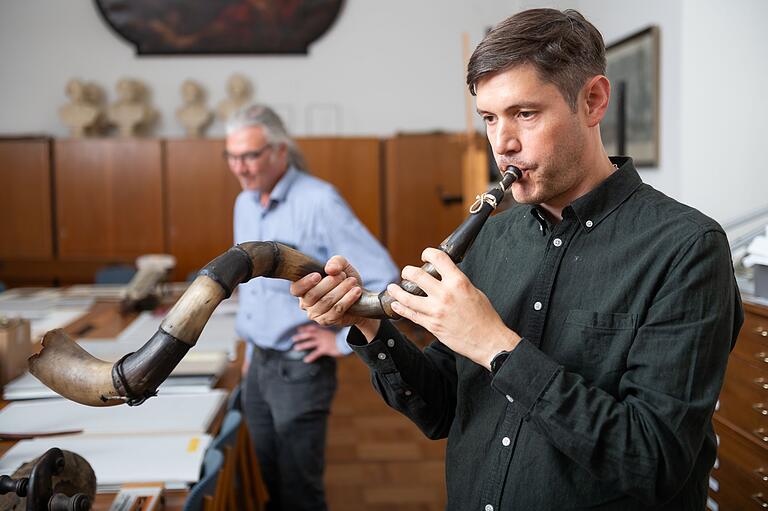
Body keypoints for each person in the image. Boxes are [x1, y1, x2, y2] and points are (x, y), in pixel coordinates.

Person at [291, 8, 743, 510]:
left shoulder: (687, 247)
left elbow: (655, 461)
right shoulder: (493, 236)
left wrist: (497, 346)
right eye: (489, 118)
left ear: (592, 101)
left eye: (525, 114)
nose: (502, 145)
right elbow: (441, 410)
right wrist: (373, 328)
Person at [225, 104, 398, 510]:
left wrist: (337, 342)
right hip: (258, 366)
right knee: (269, 482)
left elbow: (382, 276)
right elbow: (253, 290)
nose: (240, 168)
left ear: (279, 151)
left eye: (250, 155)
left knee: (300, 492)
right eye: (232, 156)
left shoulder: (319, 200)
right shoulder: (244, 203)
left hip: (300, 367)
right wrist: (251, 353)